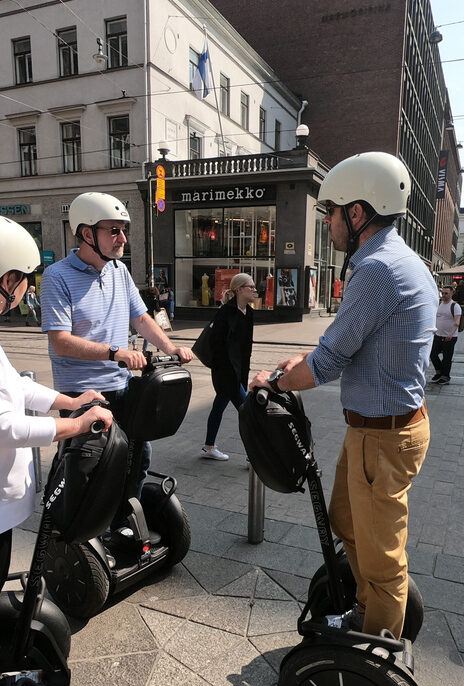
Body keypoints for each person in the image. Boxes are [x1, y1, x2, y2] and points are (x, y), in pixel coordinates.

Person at [250, 152, 438, 640]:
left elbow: (329, 361)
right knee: (346, 520)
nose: (327, 221)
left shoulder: (376, 270)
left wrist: (273, 382)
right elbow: (345, 343)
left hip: (383, 437)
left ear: (357, 213)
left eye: (330, 211)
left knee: (381, 560)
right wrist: (293, 365)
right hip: (379, 429)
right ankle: (366, 605)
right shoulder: (406, 262)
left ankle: (374, 649)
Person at [0, 211, 113, 686]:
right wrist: (75, 425)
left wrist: (67, 401)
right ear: (5, 278)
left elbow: (10, 387)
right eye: (23, 279)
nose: (24, 290)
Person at [40, 192, 193, 496]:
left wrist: (171, 348)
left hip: (121, 386)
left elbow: (141, 318)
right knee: (88, 467)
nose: (123, 238)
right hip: (81, 393)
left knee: (138, 456)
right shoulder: (56, 277)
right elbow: (61, 342)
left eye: (124, 230)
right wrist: (115, 353)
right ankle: (80, 520)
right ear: (87, 234)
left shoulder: (119, 271)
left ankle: (124, 515)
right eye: (114, 230)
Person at [201, 273, 257, 461]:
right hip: (226, 373)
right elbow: (216, 345)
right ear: (239, 289)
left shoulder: (249, 313)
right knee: (248, 413)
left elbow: (246, 348)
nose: (255, 290)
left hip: (238, 372)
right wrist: (226, 373)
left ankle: (209, 447)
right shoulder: (226, 312)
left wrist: (243, 375)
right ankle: (254, 457)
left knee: (218, 407)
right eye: (251, 287)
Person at [430, 285, 461, 384]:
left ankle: (445, 376)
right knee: (432, 354)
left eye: (446, 293)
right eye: (442, 293)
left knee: (447, 358)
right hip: (438, 335)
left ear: (452, 293)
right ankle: (439, 372)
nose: (444, 295)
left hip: (449, 337)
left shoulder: (455, 306)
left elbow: (457, 322)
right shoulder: (439, 304)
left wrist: (451, 334)